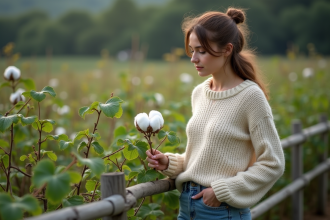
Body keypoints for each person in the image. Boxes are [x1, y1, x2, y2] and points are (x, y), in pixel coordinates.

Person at [146, 8, 285, 220]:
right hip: (186, 208)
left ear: (227, 49)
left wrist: (221, 191)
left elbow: (273, 163)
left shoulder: (251, 97)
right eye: (191, 50)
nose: (193, 58)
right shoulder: (200, 93)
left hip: (222, 211)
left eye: (201, 51)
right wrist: (169, 162)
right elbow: (204, 158)